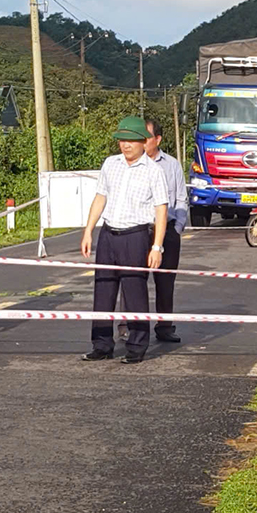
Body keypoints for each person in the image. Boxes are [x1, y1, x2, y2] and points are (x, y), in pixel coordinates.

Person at [80, 115, 168, 365]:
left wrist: (157, 246)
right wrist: (88, 231)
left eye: (130, 140)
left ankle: (137, 346)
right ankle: (101, 345)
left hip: (135, 236)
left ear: (144, 141)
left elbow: (161, 209)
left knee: (134, 293)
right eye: (121, 140)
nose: (125, 145)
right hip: (109, 234)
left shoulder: (154, 171)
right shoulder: (111, 164)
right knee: (103, 291)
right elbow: (100, 197)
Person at [143, 116, 188, 346]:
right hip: (140, 230)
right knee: (134, 280)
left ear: (158, 139)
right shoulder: (132, 164)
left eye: (146, 137)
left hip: (168, 229)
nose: (141, 142)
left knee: (165, 281)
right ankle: (131, 326)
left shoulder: (171, 165)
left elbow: (181, 198)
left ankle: (164, 326)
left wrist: (177, 227)